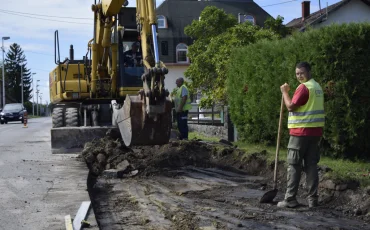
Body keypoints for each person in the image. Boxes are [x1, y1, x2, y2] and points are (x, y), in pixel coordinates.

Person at [277, 62, 325, 208]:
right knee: (311, 165)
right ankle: (313, 200)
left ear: (309, 72)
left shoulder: (304, 88)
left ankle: (290, 199)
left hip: (300, 133)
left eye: (302, 73)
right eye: (297, 73)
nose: (299, 76)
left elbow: (291, 105)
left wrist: (284, 92)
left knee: (294, 165)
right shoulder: (317, 87)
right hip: (315, 132)